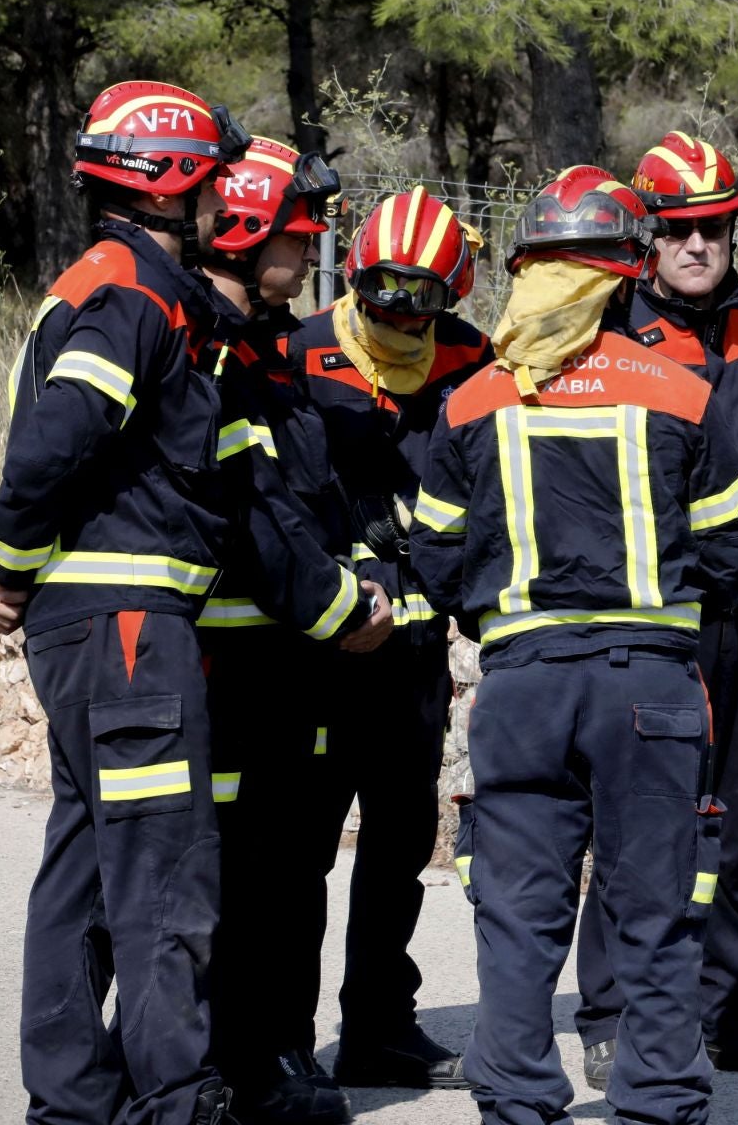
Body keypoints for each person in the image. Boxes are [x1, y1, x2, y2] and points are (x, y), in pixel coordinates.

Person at [0, 82, 371, 1125]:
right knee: (162, 882)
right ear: (174, 179)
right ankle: (174, 1103)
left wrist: (21, 575)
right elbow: (58, 438)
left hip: (95, 625)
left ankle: (74, 1101)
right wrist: (7, 568)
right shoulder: (137, 292)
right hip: (134, 625)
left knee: (86, 875)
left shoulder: (125, 285)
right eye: (214, 175)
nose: (229, 196)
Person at [410, 164, 738, 1125]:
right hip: (648, 686)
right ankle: (657, 1104)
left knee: (517, 918)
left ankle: (517, 1104)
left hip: (522, 685)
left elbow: (435, 552)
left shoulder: (476, 398)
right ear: (629, 271)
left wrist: (507, 621)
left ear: (526, 270)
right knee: (657, 914)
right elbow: (734, 546)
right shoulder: (682, 390)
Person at [573, 132, 738, 1086]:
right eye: (678, 229)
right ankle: (612, 1015)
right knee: (634, 818)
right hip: (651, 616)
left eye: (714, 228)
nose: (696, 245)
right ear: (647, 236)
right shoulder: (608, 333)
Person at [191, 136, 397, 1125]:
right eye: (299, 229)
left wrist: (357, 571)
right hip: (229, 660)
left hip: (286, 660)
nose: (313, 245)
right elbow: (247, 509)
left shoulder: (271, 346)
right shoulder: (215, 346)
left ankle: (267, 1051)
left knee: (279, 867)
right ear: (245, 230)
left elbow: (311, 496)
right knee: (228, 871)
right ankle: (220, 1065)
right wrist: (337, 608)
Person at [283, 187, 496, 1094]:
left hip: (415, 653)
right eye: (381, 291)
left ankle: (378, 1027)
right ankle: (283, 1036)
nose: (398, 312)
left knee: (402, 842)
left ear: (452, 291)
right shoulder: (301, 352)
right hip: (320, 650)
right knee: (297, 851)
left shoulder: (474, 359)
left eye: (421, 296)